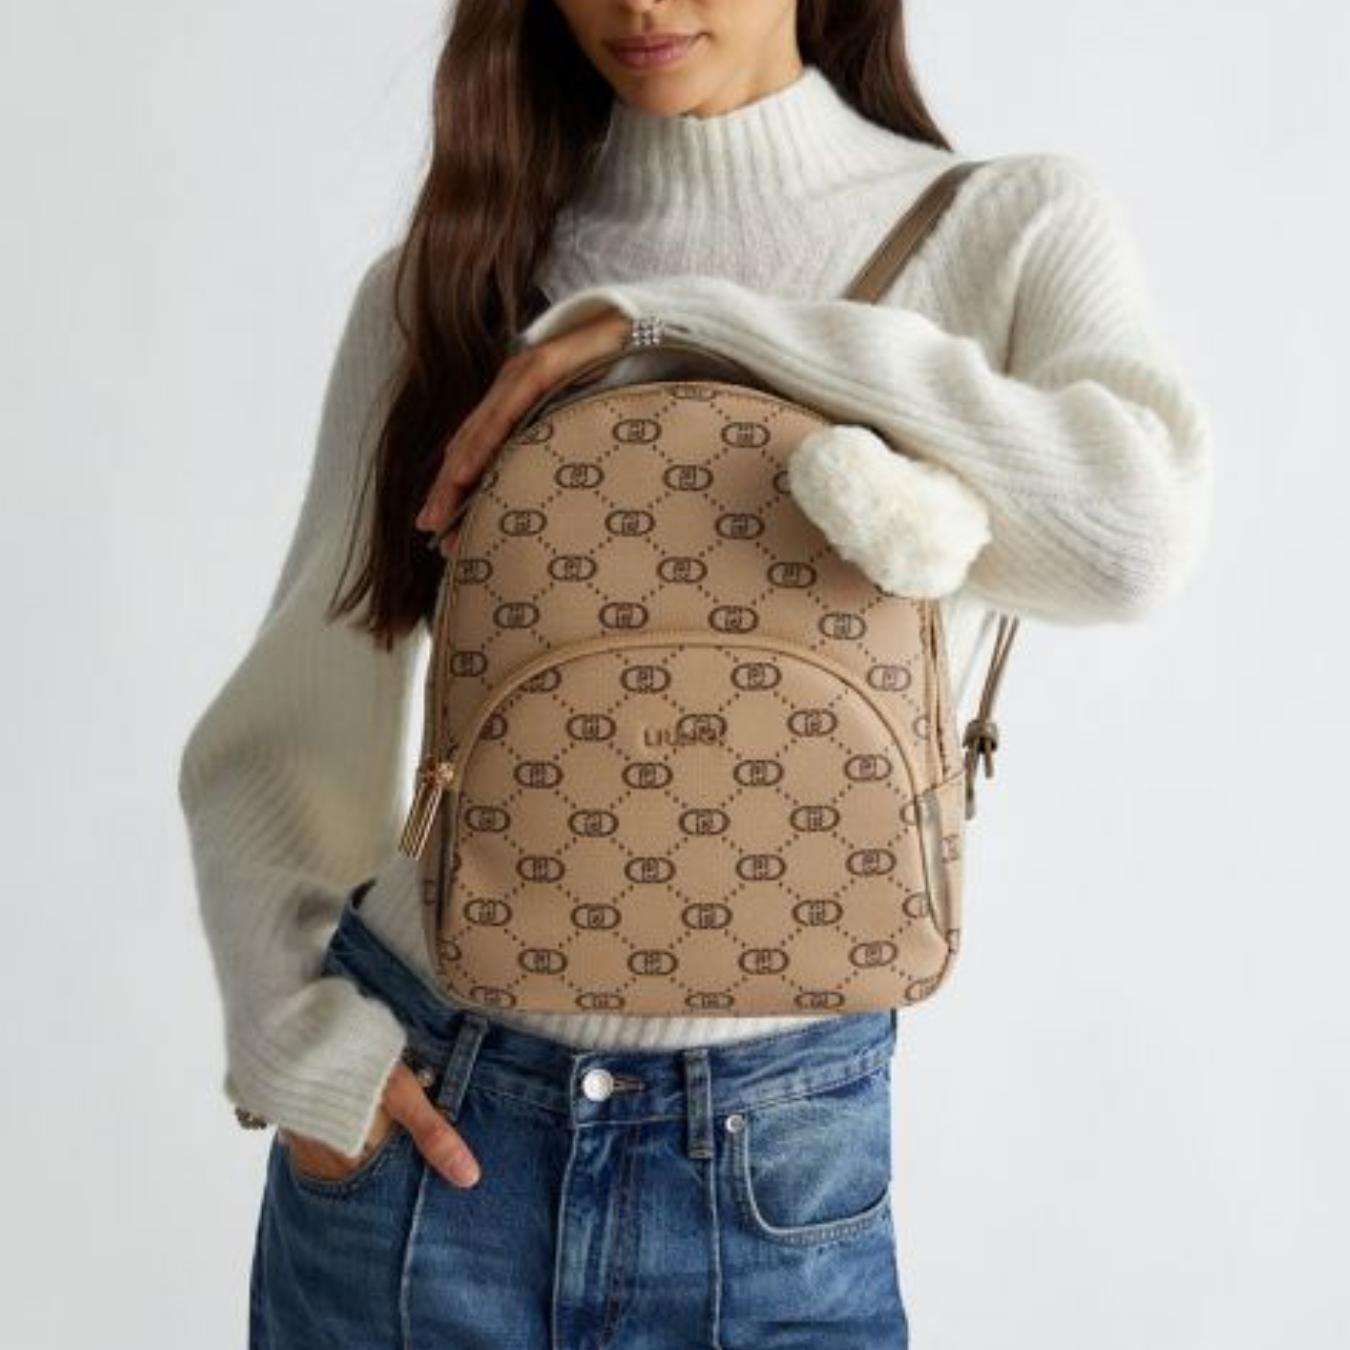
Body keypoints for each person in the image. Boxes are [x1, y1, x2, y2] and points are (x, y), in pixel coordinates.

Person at [177, 2, 1213, 1345]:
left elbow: (1132, 539)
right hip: (433, 1140)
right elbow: (291, 723)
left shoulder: (1005, 227)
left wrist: (687, 320)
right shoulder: (454, 274)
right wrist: (303, 1046)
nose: (641, 6)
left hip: (779, 1160)